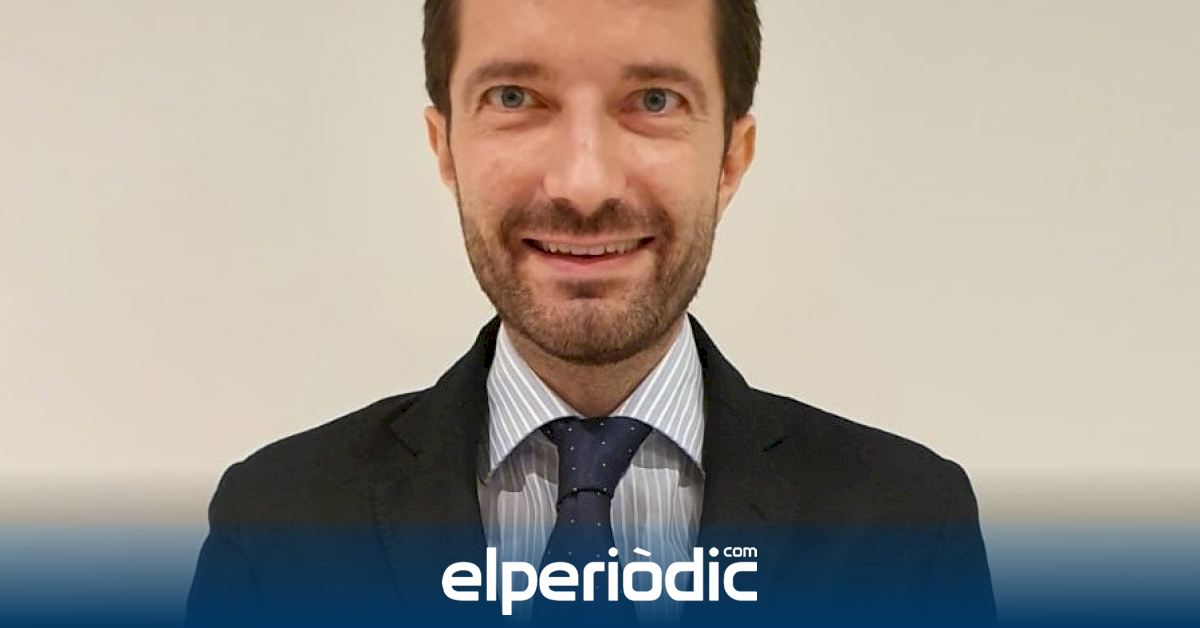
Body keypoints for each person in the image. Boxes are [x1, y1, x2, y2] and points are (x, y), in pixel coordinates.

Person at [186, 1, 996, 626]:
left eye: (654, 99)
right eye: (514, 96)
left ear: (731, 158)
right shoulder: (275, 525)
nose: (583, 184)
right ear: (445, 148)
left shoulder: (911, 527)